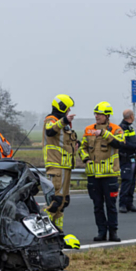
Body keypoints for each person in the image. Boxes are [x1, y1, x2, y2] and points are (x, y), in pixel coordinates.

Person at [79, 101, 126, 242]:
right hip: (93, 175)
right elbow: (82, 147)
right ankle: (101, 232)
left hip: (110, 175)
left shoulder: (116, 129)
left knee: (111, 205)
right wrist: (86, 159)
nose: (96, 116)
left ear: (107, 116)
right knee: (97, 205)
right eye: (95, 113)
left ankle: (113, 232)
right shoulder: (88, 130)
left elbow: (120, 144)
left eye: (99, 114)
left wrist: (104, 134)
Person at [43, 94, 77, 230]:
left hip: (65, 166)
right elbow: (50, 131)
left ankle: (57, 232)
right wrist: (64, 120)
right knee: (55, 201)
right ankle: (43, 228)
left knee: (63, 202)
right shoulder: (51, 120)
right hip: (56, 165)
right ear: (62, 108)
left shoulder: (64, 124)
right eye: (67, 109)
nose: (69, 111)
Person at [118, 108, 136, 213]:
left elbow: (135, 139)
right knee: (126, 182)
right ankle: (122, 204)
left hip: (132, 158)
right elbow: (123, 143)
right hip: (125, 158)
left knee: (132, 182)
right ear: (131, 117)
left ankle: (129, 203)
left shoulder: (130, 128)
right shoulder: (121, 128)